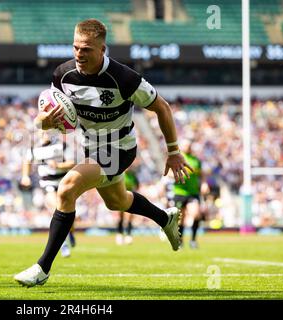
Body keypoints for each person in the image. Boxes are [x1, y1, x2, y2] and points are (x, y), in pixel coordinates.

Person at [14, 19, 193, 287]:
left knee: (66, 189)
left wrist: (174, 151)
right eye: (75, 47)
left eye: (86, 49)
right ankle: (164, 218)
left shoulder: (125, 79)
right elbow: (43, 121)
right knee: (117, 202)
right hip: (90, 148)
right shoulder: (62, 76)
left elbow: (162, 108)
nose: (78, 54)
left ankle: (42, 268)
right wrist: (45, 122)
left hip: (118, 148)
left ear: (102, 49)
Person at [20, 131, 77, 257]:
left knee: (69, 215)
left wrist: (59, 165)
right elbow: (26, 161)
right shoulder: (35, 148)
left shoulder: (62, 146)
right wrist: (25, 176)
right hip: (47, 184)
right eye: (43, 131)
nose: (45, 133)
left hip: (64, 182)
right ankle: (63, 244)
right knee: (57, 209)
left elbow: (72, 162)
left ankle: (70, 232)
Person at [172, 139, 209, 249]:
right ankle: (180, 240)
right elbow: (169, 173)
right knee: (181, 218)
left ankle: (193, 240)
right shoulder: (176, 159)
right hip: (179, 192)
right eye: (185, 145)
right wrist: (175, 176)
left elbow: (201, 174)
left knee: (196, 213)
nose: (188, 147)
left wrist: (204, 184)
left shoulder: (196, 160)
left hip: (193, 192)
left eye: (189, 145)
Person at [115, 166, 139, 245]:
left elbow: (137, 185)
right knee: (120, 216)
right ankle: (119, 234)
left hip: (129, 197)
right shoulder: (120, 174)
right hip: (120, 196)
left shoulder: (133, 175)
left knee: (129, 216)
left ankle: (128, 235)